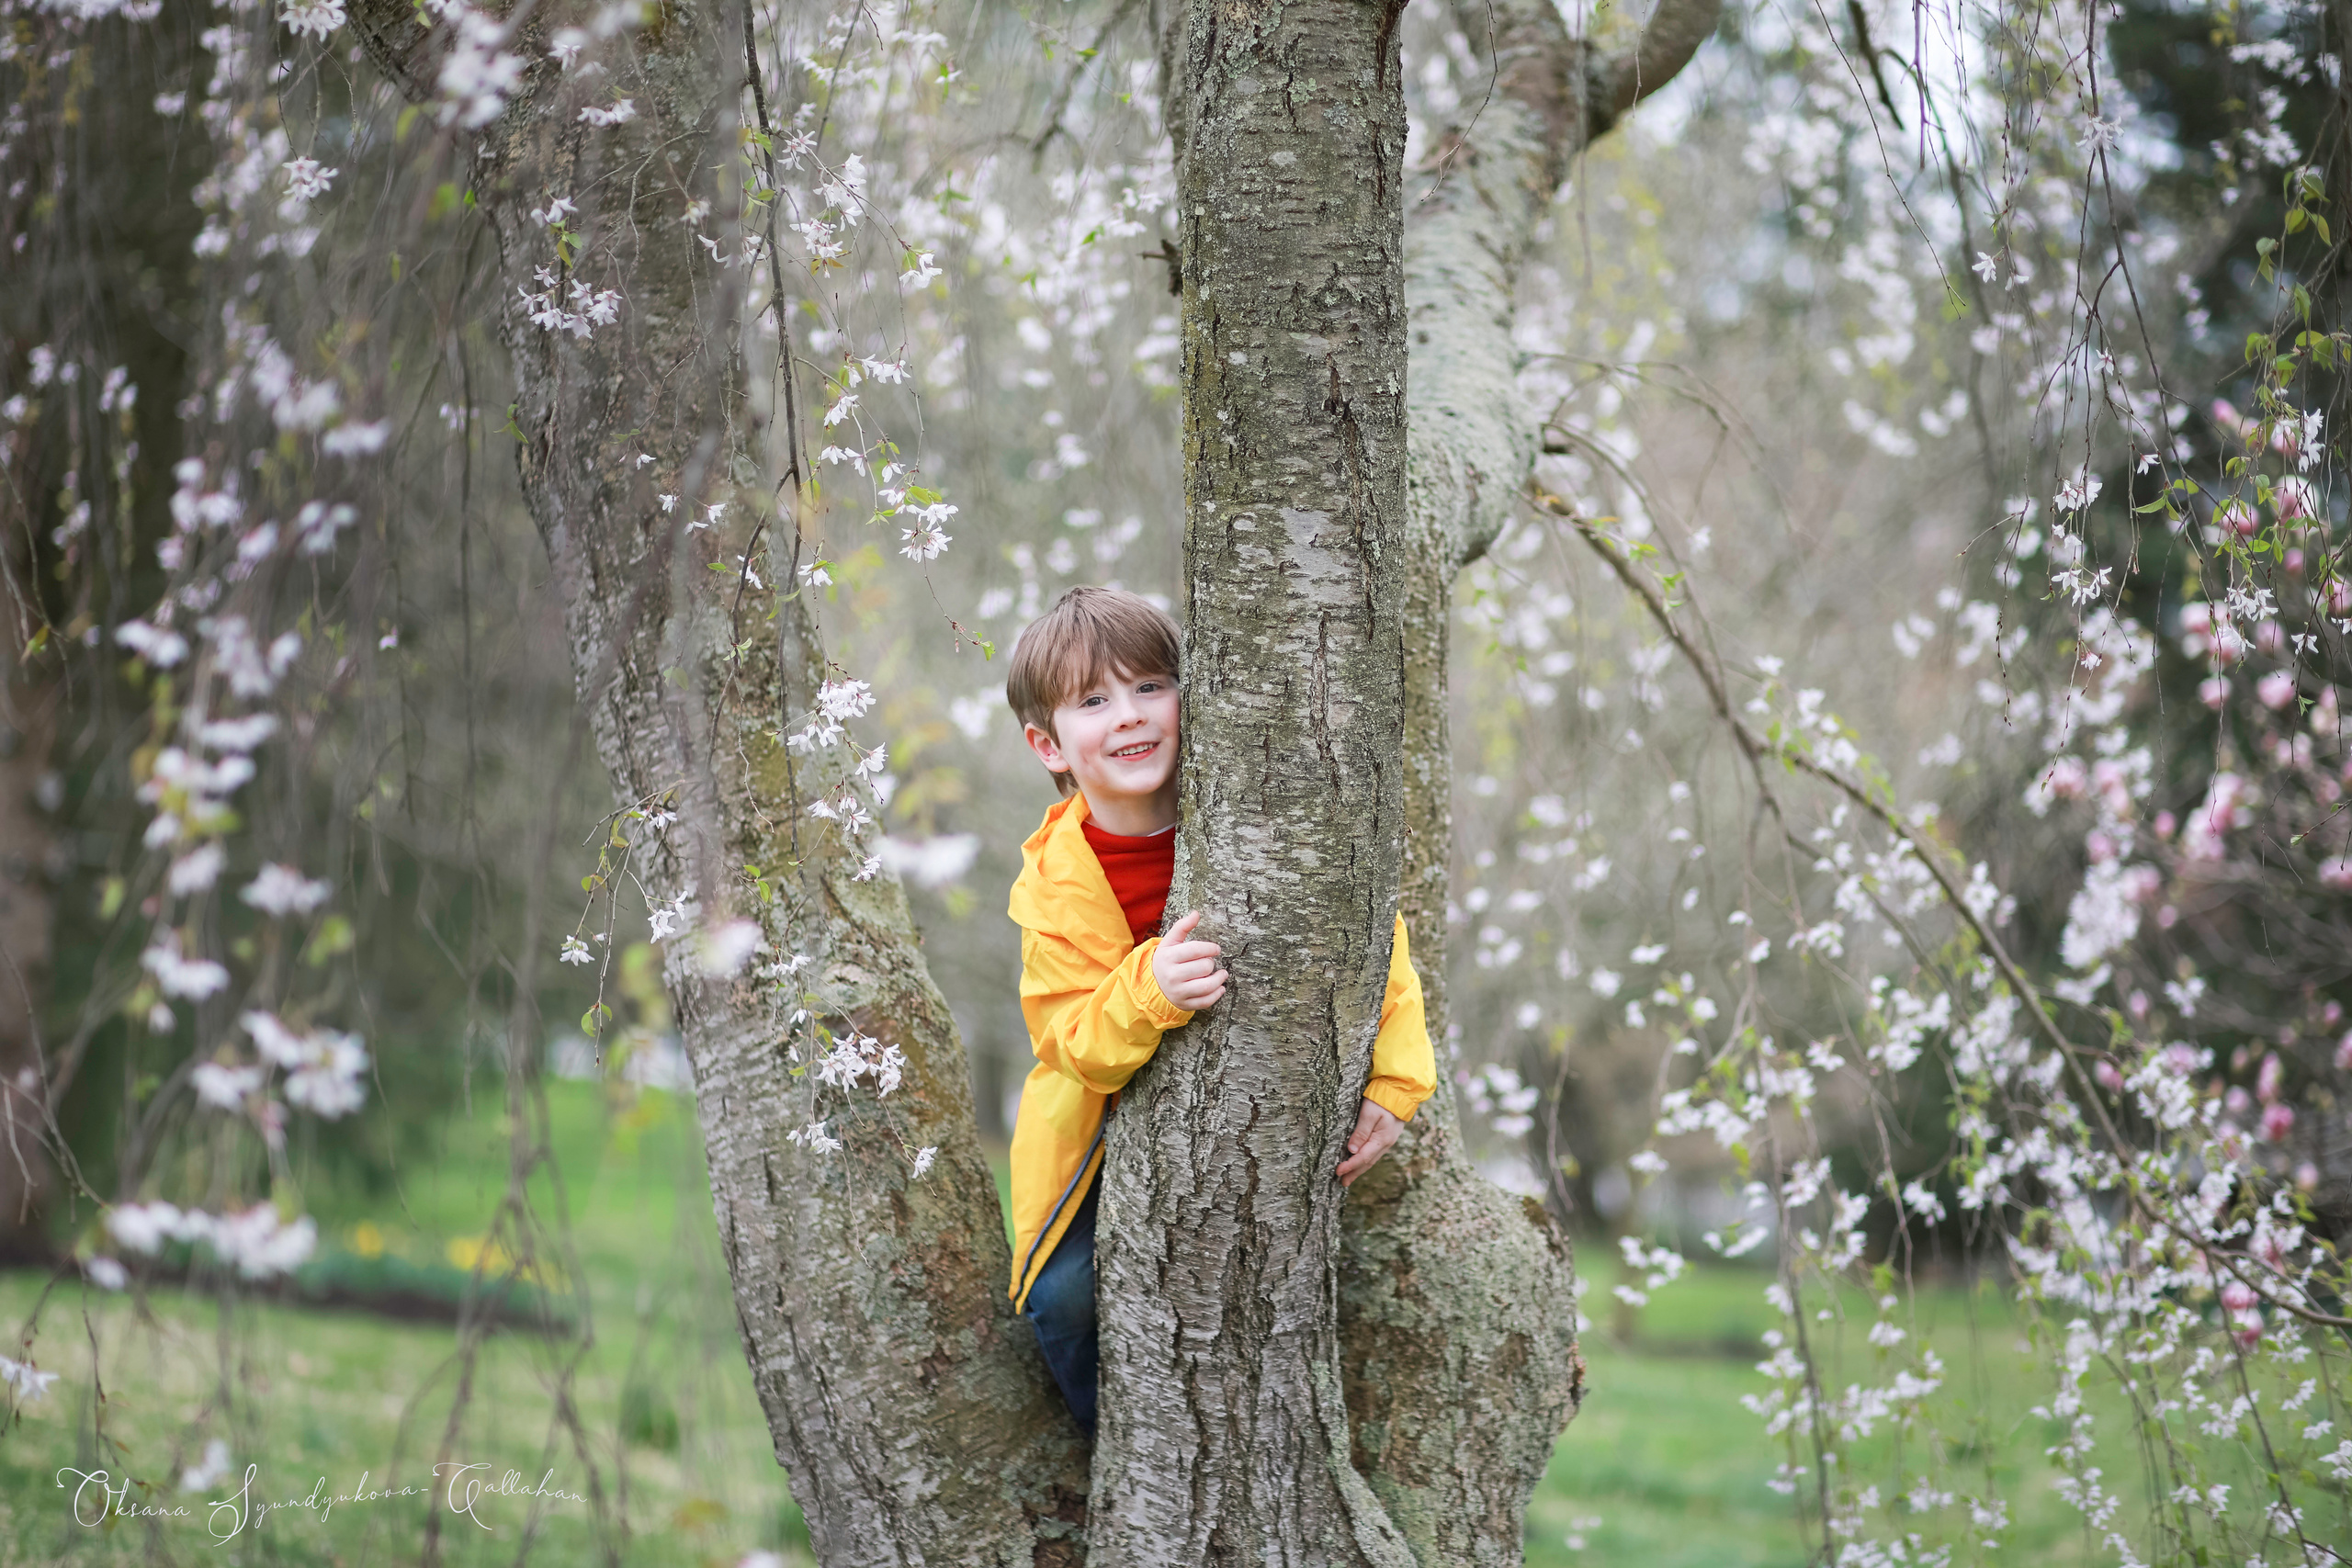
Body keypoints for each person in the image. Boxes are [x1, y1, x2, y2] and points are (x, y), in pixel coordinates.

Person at [1001, 584, 1436, 1434]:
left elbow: (1375, 941)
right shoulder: (1052, 883)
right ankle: (1115, 1455)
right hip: (1096, 1134)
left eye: (1150, 686)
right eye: (1094, 701)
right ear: (1047, 744)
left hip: (1269, 1114)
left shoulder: (1255, 808)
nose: (1128, 715)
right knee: (1063, 1297)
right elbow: (1071, 1043)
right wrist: (1149, 986)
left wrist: (1397, 1081)